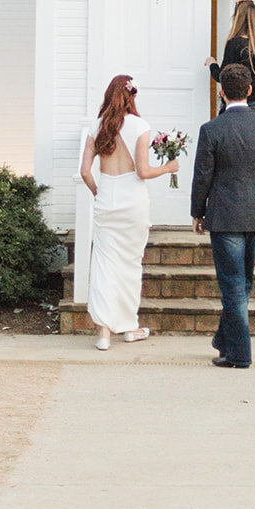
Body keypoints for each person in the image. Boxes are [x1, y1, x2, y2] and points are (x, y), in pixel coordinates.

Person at [190, 61, 255, 368]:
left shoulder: (212, 129)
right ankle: (223, 338)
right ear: (250, 90)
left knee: (233, 285)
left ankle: (239, 354)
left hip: (225, 215)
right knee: (241, 283)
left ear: (221, 92)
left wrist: (197, 212)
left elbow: (203, 175)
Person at [80, 73, 179, 351]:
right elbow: (143, 171)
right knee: (130, 266)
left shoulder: (96, 126)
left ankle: (104, 333)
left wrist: (99, 192)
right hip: (132, 200)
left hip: (107, 197)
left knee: (104, 264)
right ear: (131, 96)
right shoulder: (139, 125)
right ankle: (130, 327)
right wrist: (168, 169)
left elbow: (85, 172)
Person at [204, 0, 255, 115]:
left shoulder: (235, 44)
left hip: (237, 108)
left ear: (237, 19)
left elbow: (224, 76)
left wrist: (212, 64)